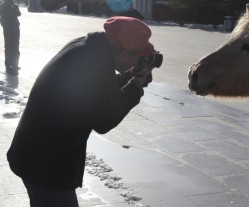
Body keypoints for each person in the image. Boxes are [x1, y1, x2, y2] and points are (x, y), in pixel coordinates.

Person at [7, 16, 158, 207]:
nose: (136, 64)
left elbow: (96, 92)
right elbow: (103, 119)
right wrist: (135, 85)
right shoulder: (90, 64)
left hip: (39, 154)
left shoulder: (91, 49)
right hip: (45, 164)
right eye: (138, 58)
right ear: (125, 54)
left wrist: (130, 77)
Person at [0, 0, 21, 75]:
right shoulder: (3, 6)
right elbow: (2, 16)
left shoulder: (14, 6)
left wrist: (13, 7)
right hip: (8, 29)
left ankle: (15, 64)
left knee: (16, 47)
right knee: (8, 47)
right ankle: (8, 65)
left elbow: (19, 14)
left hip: (15, 29)